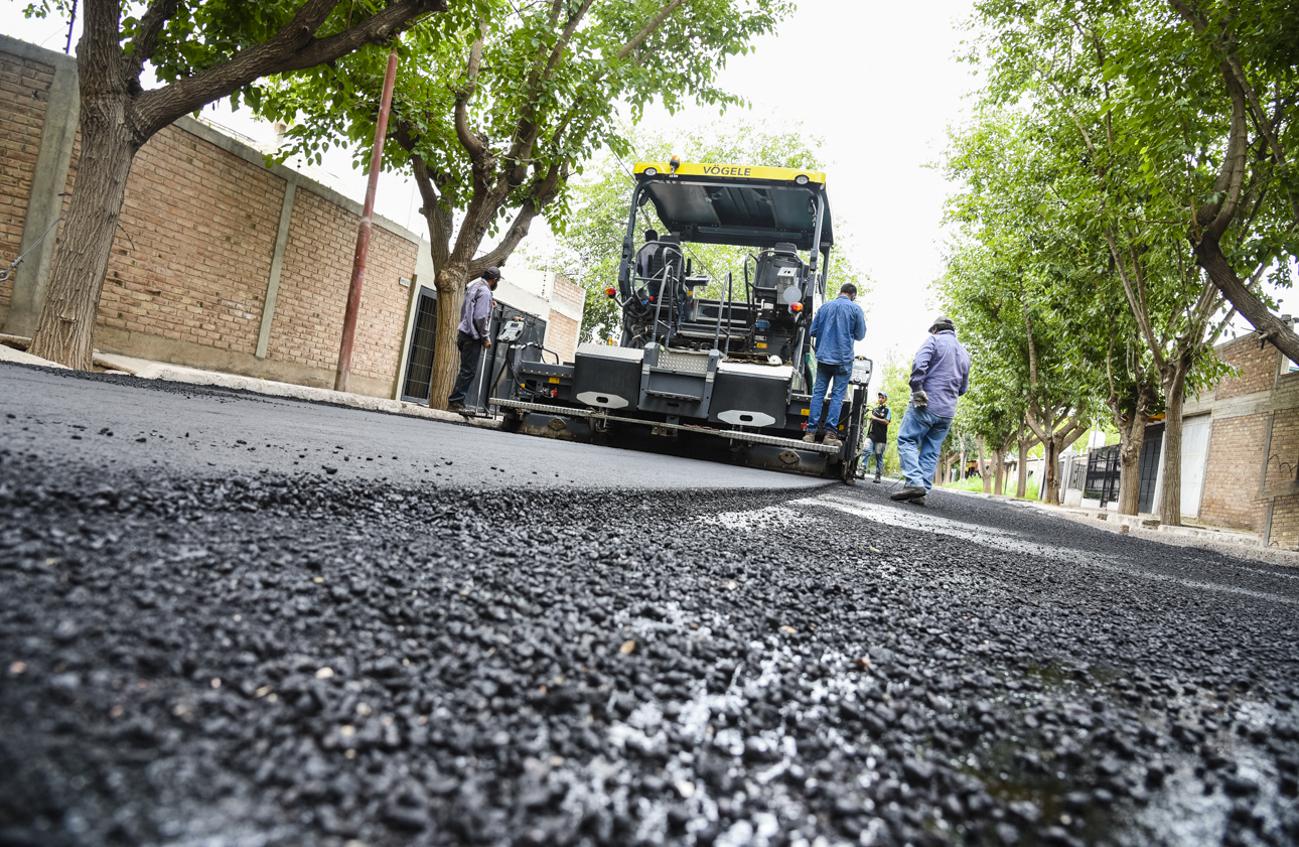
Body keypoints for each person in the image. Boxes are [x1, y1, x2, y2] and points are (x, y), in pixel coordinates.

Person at [891, 316, 971, 504]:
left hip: (927, 404)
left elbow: (919, 364)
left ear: (935, 329)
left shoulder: (933, 341)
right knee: (931, 450)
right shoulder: (964, 352)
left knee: (907, 439)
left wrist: (917, 388)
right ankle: (922, 493)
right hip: (947, 411)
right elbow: (963, 388)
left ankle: (914, 482)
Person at [803, 283, 866, 449]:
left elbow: (812, 331)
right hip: (843, 360)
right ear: (853, 295)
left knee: (818, 393)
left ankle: (810, 432)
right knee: (837, 396)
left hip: (824, 358)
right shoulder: (855, 309)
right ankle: (830, 435)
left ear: (840, 292)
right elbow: (860, 335)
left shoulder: (824, 307)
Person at [447, 267, 501, 411]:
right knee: (468, 371)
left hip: (463, 334)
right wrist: (485, 337)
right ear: (494, 280)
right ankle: (456, 402)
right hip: (472, 336)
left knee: (465, 369)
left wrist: (490, 304)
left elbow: (472, 307)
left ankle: (457, 401)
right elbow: (480, 317)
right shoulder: (485, 292)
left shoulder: (474, 286)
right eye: (497, 281)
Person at [863, 390, 891, 483]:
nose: (880, 399)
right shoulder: (874, 409)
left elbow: (887, 421)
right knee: (866, 450)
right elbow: (871, 420)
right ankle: (861, 471)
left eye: (882, 397)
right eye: (879, 397)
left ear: (885, 399)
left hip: (881, 437)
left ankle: (878, 476)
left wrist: (875, 418)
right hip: (872, 435)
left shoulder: (887, 410)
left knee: (878, 456)